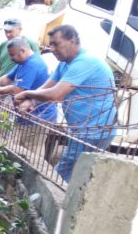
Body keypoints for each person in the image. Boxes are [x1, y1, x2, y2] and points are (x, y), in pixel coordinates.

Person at [14, 25, 116, 181]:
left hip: (96, 129)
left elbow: (55, 94)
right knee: (74, 172)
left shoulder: (85, 62)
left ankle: (53, 203)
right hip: (82, 128)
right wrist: (30, 100)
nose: (52, 48)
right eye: (51, 44)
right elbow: (46, 87)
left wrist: (27, 93)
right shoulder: (64, 64)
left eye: (56, 44)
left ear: (72, 41)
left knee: (61, 174)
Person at [0, 37, 57, 157]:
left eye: (13, 55)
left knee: (32, 150)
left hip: (39, 116)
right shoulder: (23, 63)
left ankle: (34, 175)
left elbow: (17, 89)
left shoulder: (32, 64)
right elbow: (6, 79)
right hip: (26, 113)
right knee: (18, 147)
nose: (11, 58)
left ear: (23, 51)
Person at [0, 18, 41, 87]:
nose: (7, 34)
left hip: (17, 83)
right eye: (6, 31)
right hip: (1, 81)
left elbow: (36, 65)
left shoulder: (30, 43)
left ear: (19, 30)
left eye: (10, 31)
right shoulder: (4, 44)